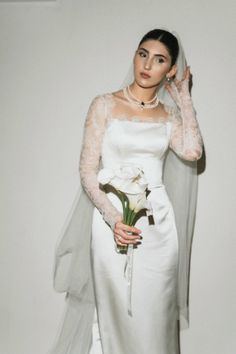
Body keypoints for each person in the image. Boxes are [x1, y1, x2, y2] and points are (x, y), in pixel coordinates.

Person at [50, 29, 203, 354]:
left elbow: (192, 153)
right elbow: (87, 171)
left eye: (159, 59)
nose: (147, 64)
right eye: (142, 53)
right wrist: (113, 219)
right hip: (112, 225)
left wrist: (184, 99)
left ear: (170, 69)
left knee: (155, 315)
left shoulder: (169, 115)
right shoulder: (104, 105)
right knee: (114, 312)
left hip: (158, 227)